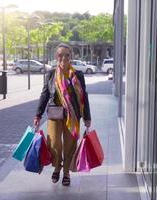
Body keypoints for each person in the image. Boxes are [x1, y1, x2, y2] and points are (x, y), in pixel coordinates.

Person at [33, 43, 91, 186]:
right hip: (54, 114)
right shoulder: (52, 74)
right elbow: (45, 94)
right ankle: (57, 166)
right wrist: (38, 115)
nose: (63, 58)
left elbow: (84, 96)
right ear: (56, 57)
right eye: (60, 55)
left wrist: (87, 117)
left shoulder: (78, 75)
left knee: (69, 145)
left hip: (72, 116)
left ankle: (66, 173)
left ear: (71, 56)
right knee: (54, 143)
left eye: (66, 55)